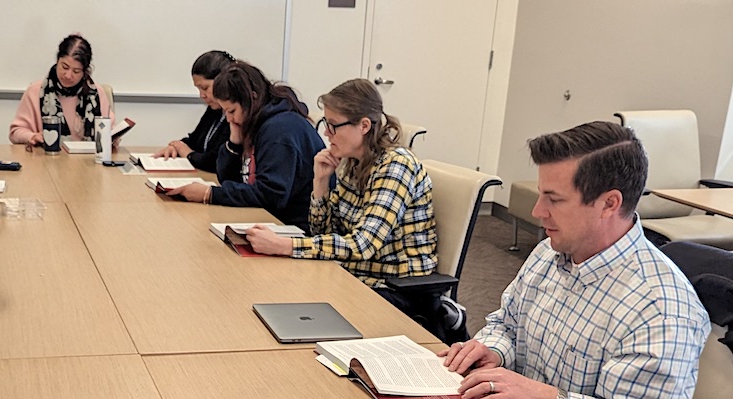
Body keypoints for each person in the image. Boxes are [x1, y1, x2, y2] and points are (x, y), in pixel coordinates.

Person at [439, 121, 710, 399]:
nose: (537, 210)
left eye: (554, 200)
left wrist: (550, 396)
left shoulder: (660, 312)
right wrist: (493, 350)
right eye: (541, 194)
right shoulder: (549, 252)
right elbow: (506, 324)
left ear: (609, 204)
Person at [241, 78, 439, 329]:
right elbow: (324, 233)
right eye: (326, 124)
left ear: (364, 125)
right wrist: (321, 183)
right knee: (276, 294)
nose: (326, 133)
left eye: (333, 125)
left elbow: (362, 245)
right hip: (355, 275)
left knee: (296, 311)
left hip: (394, 287)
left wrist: (285, 245)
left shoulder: (395, 166)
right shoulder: (350, 162)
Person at [166, 61, 322, 232]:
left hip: (292, 227)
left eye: (231, 111)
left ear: (251, 99)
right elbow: (227, 179)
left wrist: (211, 194)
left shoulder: (280, 131)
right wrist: (234, 142)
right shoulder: (254, 122)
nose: (228, 119)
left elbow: (271, 196)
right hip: (267, 220)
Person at [9, 34, 115, 146]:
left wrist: (112, 139)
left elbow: (110, 130)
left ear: (85, 71)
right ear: (57, 60)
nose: (68, 75)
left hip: (88, 161)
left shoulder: (97, 94)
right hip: (47, 160)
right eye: (64, 67)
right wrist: (32, 136)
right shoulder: (35, 91)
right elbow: (15, 133)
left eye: (76, 71)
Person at [152, 50, 235, 172]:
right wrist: (176, 146)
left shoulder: (235, 114)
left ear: (223, 81)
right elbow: (194, 141)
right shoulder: (214, 109)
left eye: (205, 88)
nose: (202, 95)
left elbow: (215, 161)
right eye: (198, 89)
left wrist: (189, 154)